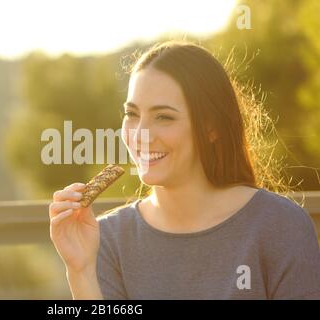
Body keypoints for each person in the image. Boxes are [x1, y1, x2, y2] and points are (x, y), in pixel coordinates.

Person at [48, 41, 320, 299]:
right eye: (131, 114)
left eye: (163, 117)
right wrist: (81, 271)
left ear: (211, 127)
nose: (140, 134)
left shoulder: (280, 226)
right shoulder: (106, 240)